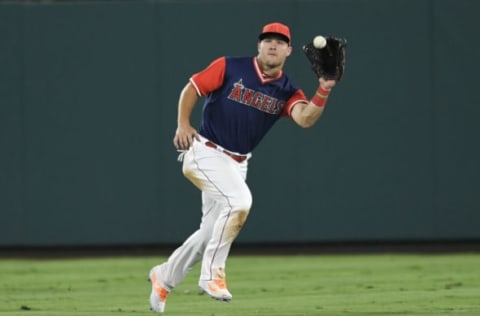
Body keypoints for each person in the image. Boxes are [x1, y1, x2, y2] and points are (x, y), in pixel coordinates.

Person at [148, 22, 338, 313]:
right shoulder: (230, 67)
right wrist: (183, 124)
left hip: (237, 164)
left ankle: (164, 277)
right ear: (259, 45)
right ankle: (213, 275)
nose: (272, 45)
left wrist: (323, 89)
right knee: (240, 202)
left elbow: (305, 118)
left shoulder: (287, 90)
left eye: (279, 41)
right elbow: (193, 88)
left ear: (288, 50)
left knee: (209, 234)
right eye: (267, 40)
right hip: (204, 151)